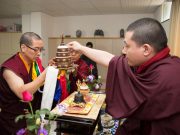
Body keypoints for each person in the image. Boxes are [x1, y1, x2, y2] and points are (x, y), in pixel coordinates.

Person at [67, 18, 180, 135]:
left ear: (146, 49)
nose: (123, 51)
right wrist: (80, 48)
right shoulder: (149, 63)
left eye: (127, 46)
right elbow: (111, 60)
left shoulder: (169, 76)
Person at [0, 32, 55, 135]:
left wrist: (49, 69)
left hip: (31, 117)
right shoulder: (10, 68)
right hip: (13, 121)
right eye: (36, 49)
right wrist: (44, 74)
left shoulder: (34, 63)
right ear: (23, 47)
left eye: (41, 49)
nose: (39, 53)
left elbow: (39, 82)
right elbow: (22, 93)